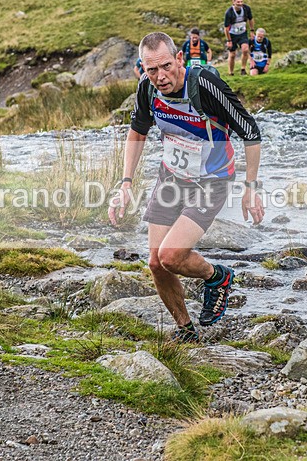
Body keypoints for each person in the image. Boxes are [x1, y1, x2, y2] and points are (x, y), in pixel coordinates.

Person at [109, 32, 265, 343]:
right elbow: (137, 132)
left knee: (171, 255)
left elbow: (250, 131)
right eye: (151, 70)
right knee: (156, 263)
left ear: (179, 58)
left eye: (166, 66)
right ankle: (186, 331)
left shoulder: (205, 84)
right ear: (142, 68)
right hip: (172, 178)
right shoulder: (147, 90)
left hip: (212, 180)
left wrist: (251, 187)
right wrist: (125, 183)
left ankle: (217, 277)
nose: (160, 76)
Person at [223, 0, 255, 76]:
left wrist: (252, 31)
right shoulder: (229, 12)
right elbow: (226, 28)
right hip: (232, 34)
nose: (240, 4)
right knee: (232, 54)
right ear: (233, 2)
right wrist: (229, 40)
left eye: (241, 2)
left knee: (245, 49)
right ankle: (231, 72)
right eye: (238, 2)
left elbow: (250, 19)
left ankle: (243, 69)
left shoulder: (246, 9)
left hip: (242, 33)